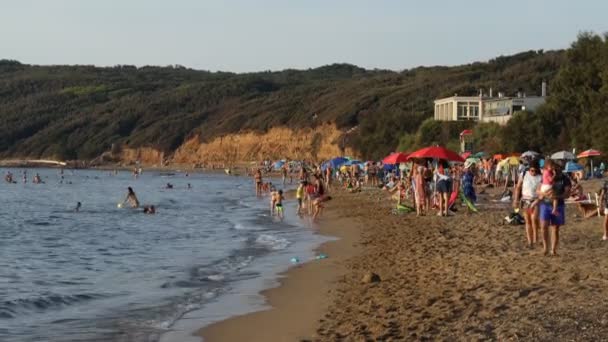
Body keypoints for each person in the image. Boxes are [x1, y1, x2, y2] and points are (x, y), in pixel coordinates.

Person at [538, 162, 570, 256]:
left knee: (555, 228)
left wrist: (557, 196)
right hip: (545, 204)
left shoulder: (565, 178)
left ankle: (553, 249)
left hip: (558, 204)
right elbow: (538, 190)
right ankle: (545, 248)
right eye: (554, 167)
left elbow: (567, 193)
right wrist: (544, 194)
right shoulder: (547, 174)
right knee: (544, 226)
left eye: (557, 167)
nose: (555, 169)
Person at [514, 160, 542, 247]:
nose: (533, 172)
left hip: (535, 200)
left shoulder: (540, 177)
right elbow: (518, 187)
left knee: (534, 219)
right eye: (531, 170)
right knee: (528, 221)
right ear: (529, 169)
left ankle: (535, 240)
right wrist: (516, 200)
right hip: (525, 200)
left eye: (535, 170)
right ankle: (530, 241)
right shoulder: (524, 174)